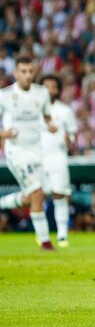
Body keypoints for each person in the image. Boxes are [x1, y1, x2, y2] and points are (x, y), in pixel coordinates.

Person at [0, 56, 57, 250]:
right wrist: (3, 133)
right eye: (23, 71)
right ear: (15, 73)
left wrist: (51, 125)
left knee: (35, 196)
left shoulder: (41, 93)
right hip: (16, 151)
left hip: (36, 149)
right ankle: (45, 242)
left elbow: (47, 115)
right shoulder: (4, 96)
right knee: (37, 192)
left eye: (30, 71)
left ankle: (3, 203)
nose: (27, 75)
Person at [40, 74, 77, 247]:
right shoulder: (33, 110)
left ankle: (62, 233)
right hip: (38, 156)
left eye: (52, 87)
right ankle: (43, 234)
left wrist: (68, 139)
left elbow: (72, 135)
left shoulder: (65, 111)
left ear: (58, 90)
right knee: (37, 195)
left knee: (59, 193)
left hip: (57, 156)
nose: (48, 90)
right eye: (45, 86)